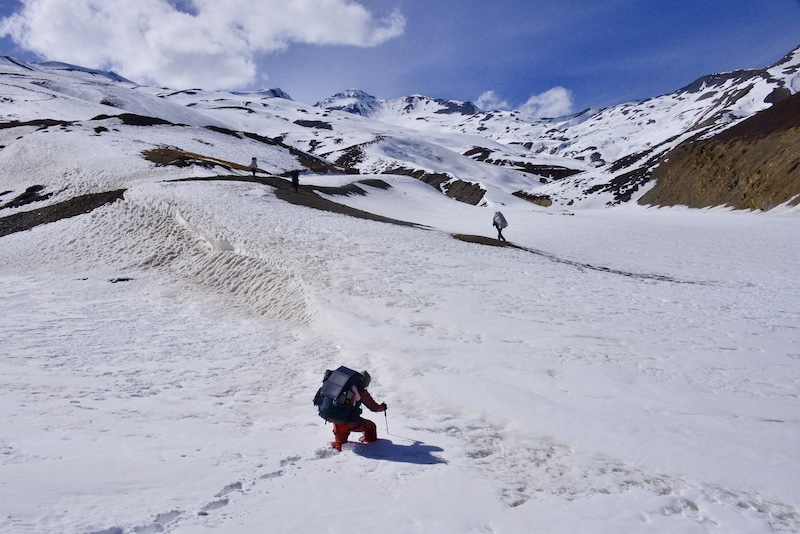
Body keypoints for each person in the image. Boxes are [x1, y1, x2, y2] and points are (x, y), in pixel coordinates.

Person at [331, 370, 387, 451]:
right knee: (371, 426)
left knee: (341, 443)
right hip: (351, 423)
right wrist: (383, 407)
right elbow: (374, 408)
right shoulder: (360, 391)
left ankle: (339, 447)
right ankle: (372, 448)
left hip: (337, 422)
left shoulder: (343, 387)